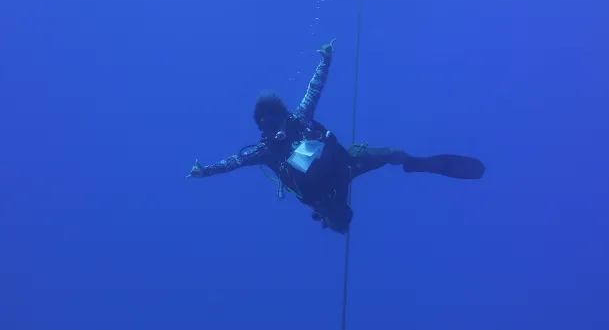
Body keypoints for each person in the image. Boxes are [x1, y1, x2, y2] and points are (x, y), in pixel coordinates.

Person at [186, 39, 485, 234]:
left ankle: (414, 163)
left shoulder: (300, 118)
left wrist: (326, 60)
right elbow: (234, 161)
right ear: (260, 127)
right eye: (265, 122)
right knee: (341, 222)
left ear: (283, 113)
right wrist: (206, 171)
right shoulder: (263, 151)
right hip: (322, 193)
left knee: (393, 152)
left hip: (344, 165)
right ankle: (330, 218)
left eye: (274, 116)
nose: (271, 125)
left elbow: (314, 89)